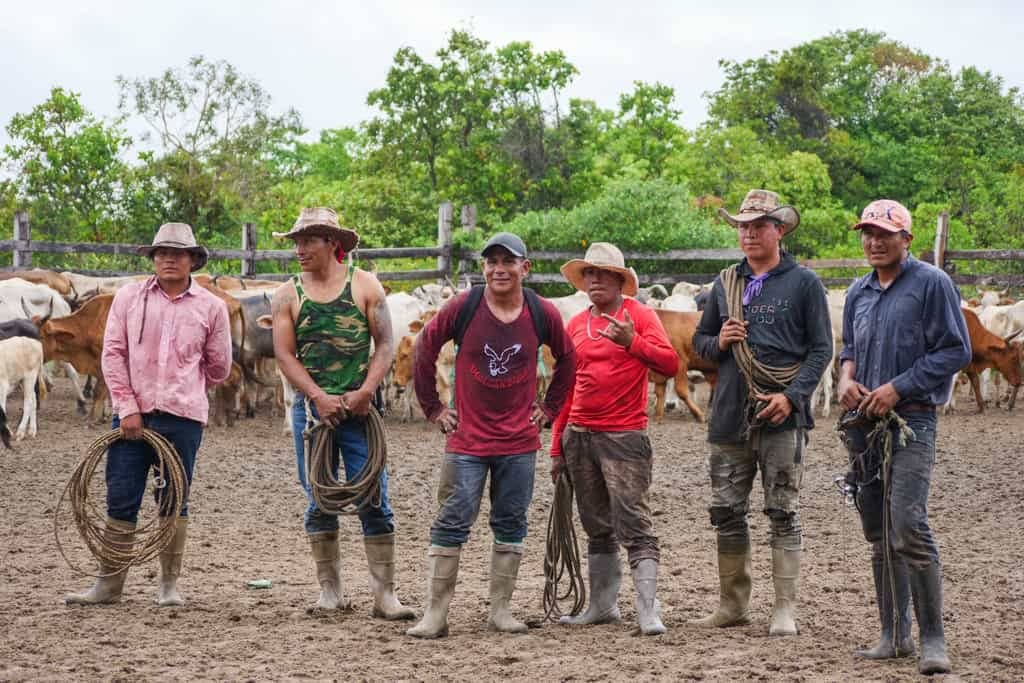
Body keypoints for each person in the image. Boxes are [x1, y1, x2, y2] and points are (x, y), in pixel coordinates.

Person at [406, 231, 576, 638]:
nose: (499, 269)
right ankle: (436, 615)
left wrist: (549, 408)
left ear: (525, 268)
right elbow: (423, 349)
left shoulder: (540, 311)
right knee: (451, 521)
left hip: (518, 442)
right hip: (466, 440)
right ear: (484, 268)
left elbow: (568, 358)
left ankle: (501, 610)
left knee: (511, 522)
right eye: (491, 262)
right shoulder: (464, 306)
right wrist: (434, 408)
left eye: (508, 262)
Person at [66, 222, 233, 607]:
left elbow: (219, 367)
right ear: (153, 258)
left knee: (175, 496)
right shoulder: (128, 298)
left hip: (183, 417)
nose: (168, 259)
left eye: (177, 253)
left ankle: (168, 586)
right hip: (132, 416)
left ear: (193, 259)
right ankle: (108, 586)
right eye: (161, 253)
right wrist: (127, 407)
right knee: (121, 496)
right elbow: (113, 355)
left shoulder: (212, 307)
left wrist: (182, 391)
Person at [691, 189, 832, 635]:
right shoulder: (724, 283)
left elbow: (821, 349)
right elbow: (700, 345)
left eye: (758, 226)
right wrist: (722, 342)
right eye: (743, 226)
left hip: (783, 415)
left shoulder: (804, 283)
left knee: (783, 510)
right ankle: (733, 604)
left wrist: (792, 397)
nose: (749, 233)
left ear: (779, 230)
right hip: (731, 412)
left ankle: (784, 608)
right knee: (726, 511)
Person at [838, 200, 969, 675]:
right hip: (864, 425)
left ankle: (933, 639)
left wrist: (899, 387)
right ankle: (894, 635)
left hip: (913, 419)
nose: (874, 242)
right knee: (878, 530)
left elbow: (956, 350)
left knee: (908, 524)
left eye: (884, 234)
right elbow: (849, 348)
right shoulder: (858, 292)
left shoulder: (932, 284)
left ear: (906, 240)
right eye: (867, 233)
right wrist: (845, 379)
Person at [269, 207, 413, 620]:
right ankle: (329, 590)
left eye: (308, 241)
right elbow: (284, 353)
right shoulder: (287, 294)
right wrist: (315, 395)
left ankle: (385, 595)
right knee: (319, 495)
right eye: (296, 242)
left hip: (360, 409)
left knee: (374, 496)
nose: (299, 249)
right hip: (313, 413)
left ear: (332, 243)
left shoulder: (364, 285)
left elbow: (385, 344)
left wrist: (367, 390)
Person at [549, 242, 679, 635]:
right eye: (589, 274)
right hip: (580, 434)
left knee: (634, 520)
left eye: (603, 274)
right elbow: (567, 389)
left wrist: (631, 343)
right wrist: (558, 445)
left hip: (624, 435)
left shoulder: (639, 315)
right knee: (595, 523)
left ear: (620, 280)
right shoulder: (575, 326)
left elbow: (670, 364)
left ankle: (647, 609)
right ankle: (603, 606)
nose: (595, 281)